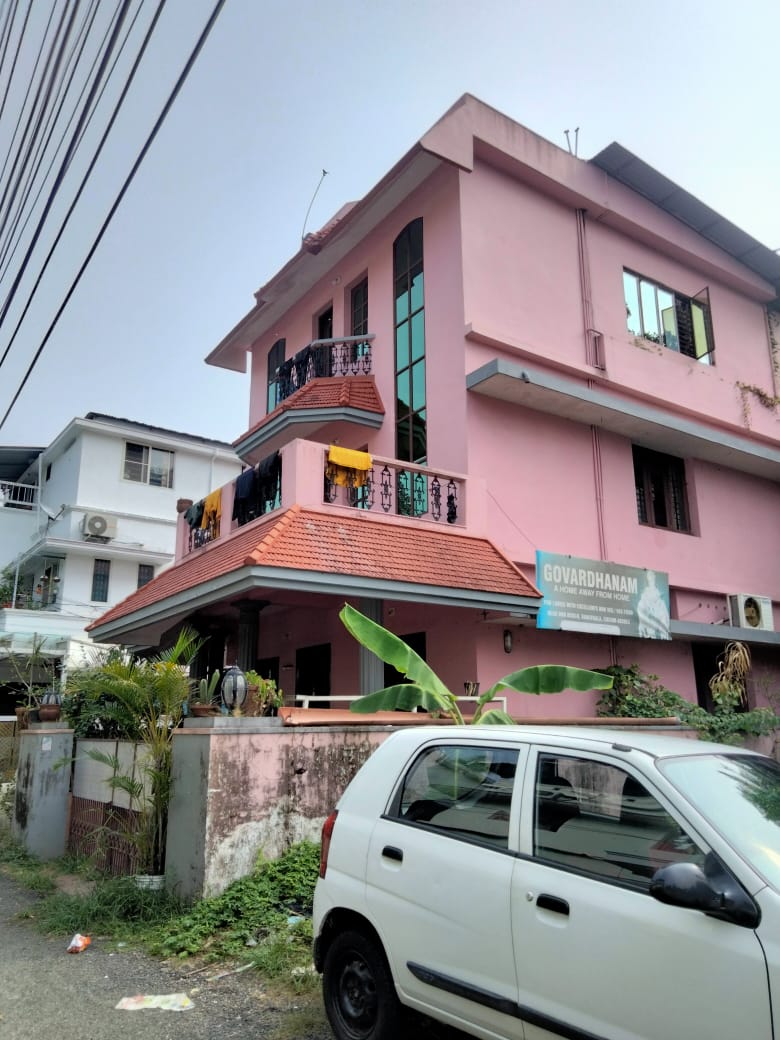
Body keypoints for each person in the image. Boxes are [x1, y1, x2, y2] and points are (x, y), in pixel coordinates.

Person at [636, 570, 670, 639]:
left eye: (652, 575)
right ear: (647, 578)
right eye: (649, 575)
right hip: (649, 615)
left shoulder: (658, 591)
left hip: (658, 613)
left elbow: (660, 603)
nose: (651, 577)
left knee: (662, 612)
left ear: (654, 576)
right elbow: (643, 603)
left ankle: (663, 632)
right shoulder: (645, 592)